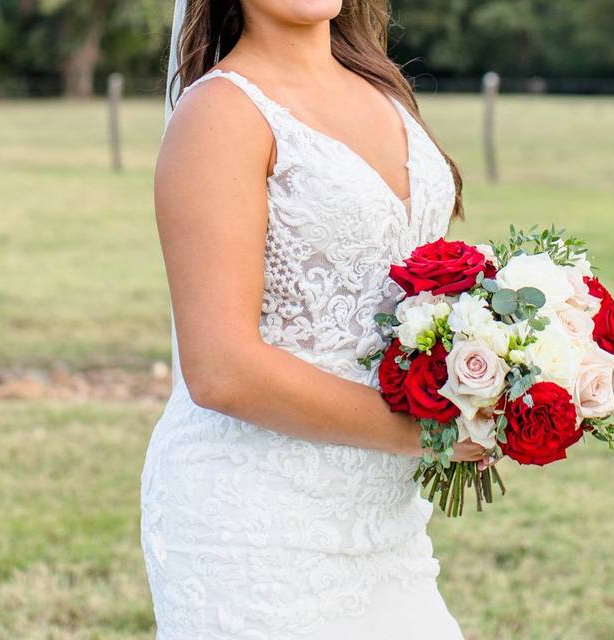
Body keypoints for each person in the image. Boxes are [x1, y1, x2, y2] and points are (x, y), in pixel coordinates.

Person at [140, 0, 488, 636]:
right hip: (255, 526)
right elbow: (221, 370)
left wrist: (491, 372)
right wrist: (431, 433)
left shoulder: (384, 93)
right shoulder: (220, 114)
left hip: (385, 523)